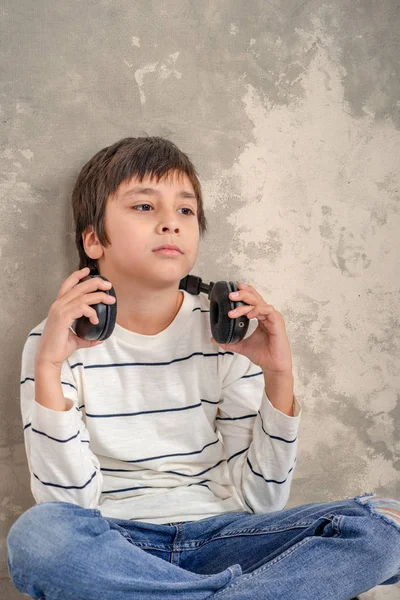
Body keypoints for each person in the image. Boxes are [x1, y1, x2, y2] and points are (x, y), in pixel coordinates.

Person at [7, 136, 400, 599]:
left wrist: (278, 376)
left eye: (185, 211)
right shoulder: (52, 342)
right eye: (143, 207)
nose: (171, 224)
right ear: (93, 239)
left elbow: (262, 501)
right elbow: (68, 506)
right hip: (120, 546)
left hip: (225, 538)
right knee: (38, 536)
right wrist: (50, 366)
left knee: (384, 524)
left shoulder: (228, 334)